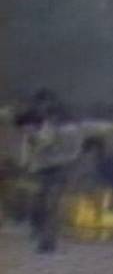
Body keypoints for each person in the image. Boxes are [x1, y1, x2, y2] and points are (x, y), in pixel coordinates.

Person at [17, 105, 81, 253]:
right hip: (41, 172)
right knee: (39, 207)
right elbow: (27, 155)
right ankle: (44, 237)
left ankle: (48, 242)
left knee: (51, 207)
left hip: (57, 171)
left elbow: (46, 142)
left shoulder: (61, 131)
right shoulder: (34, 133)